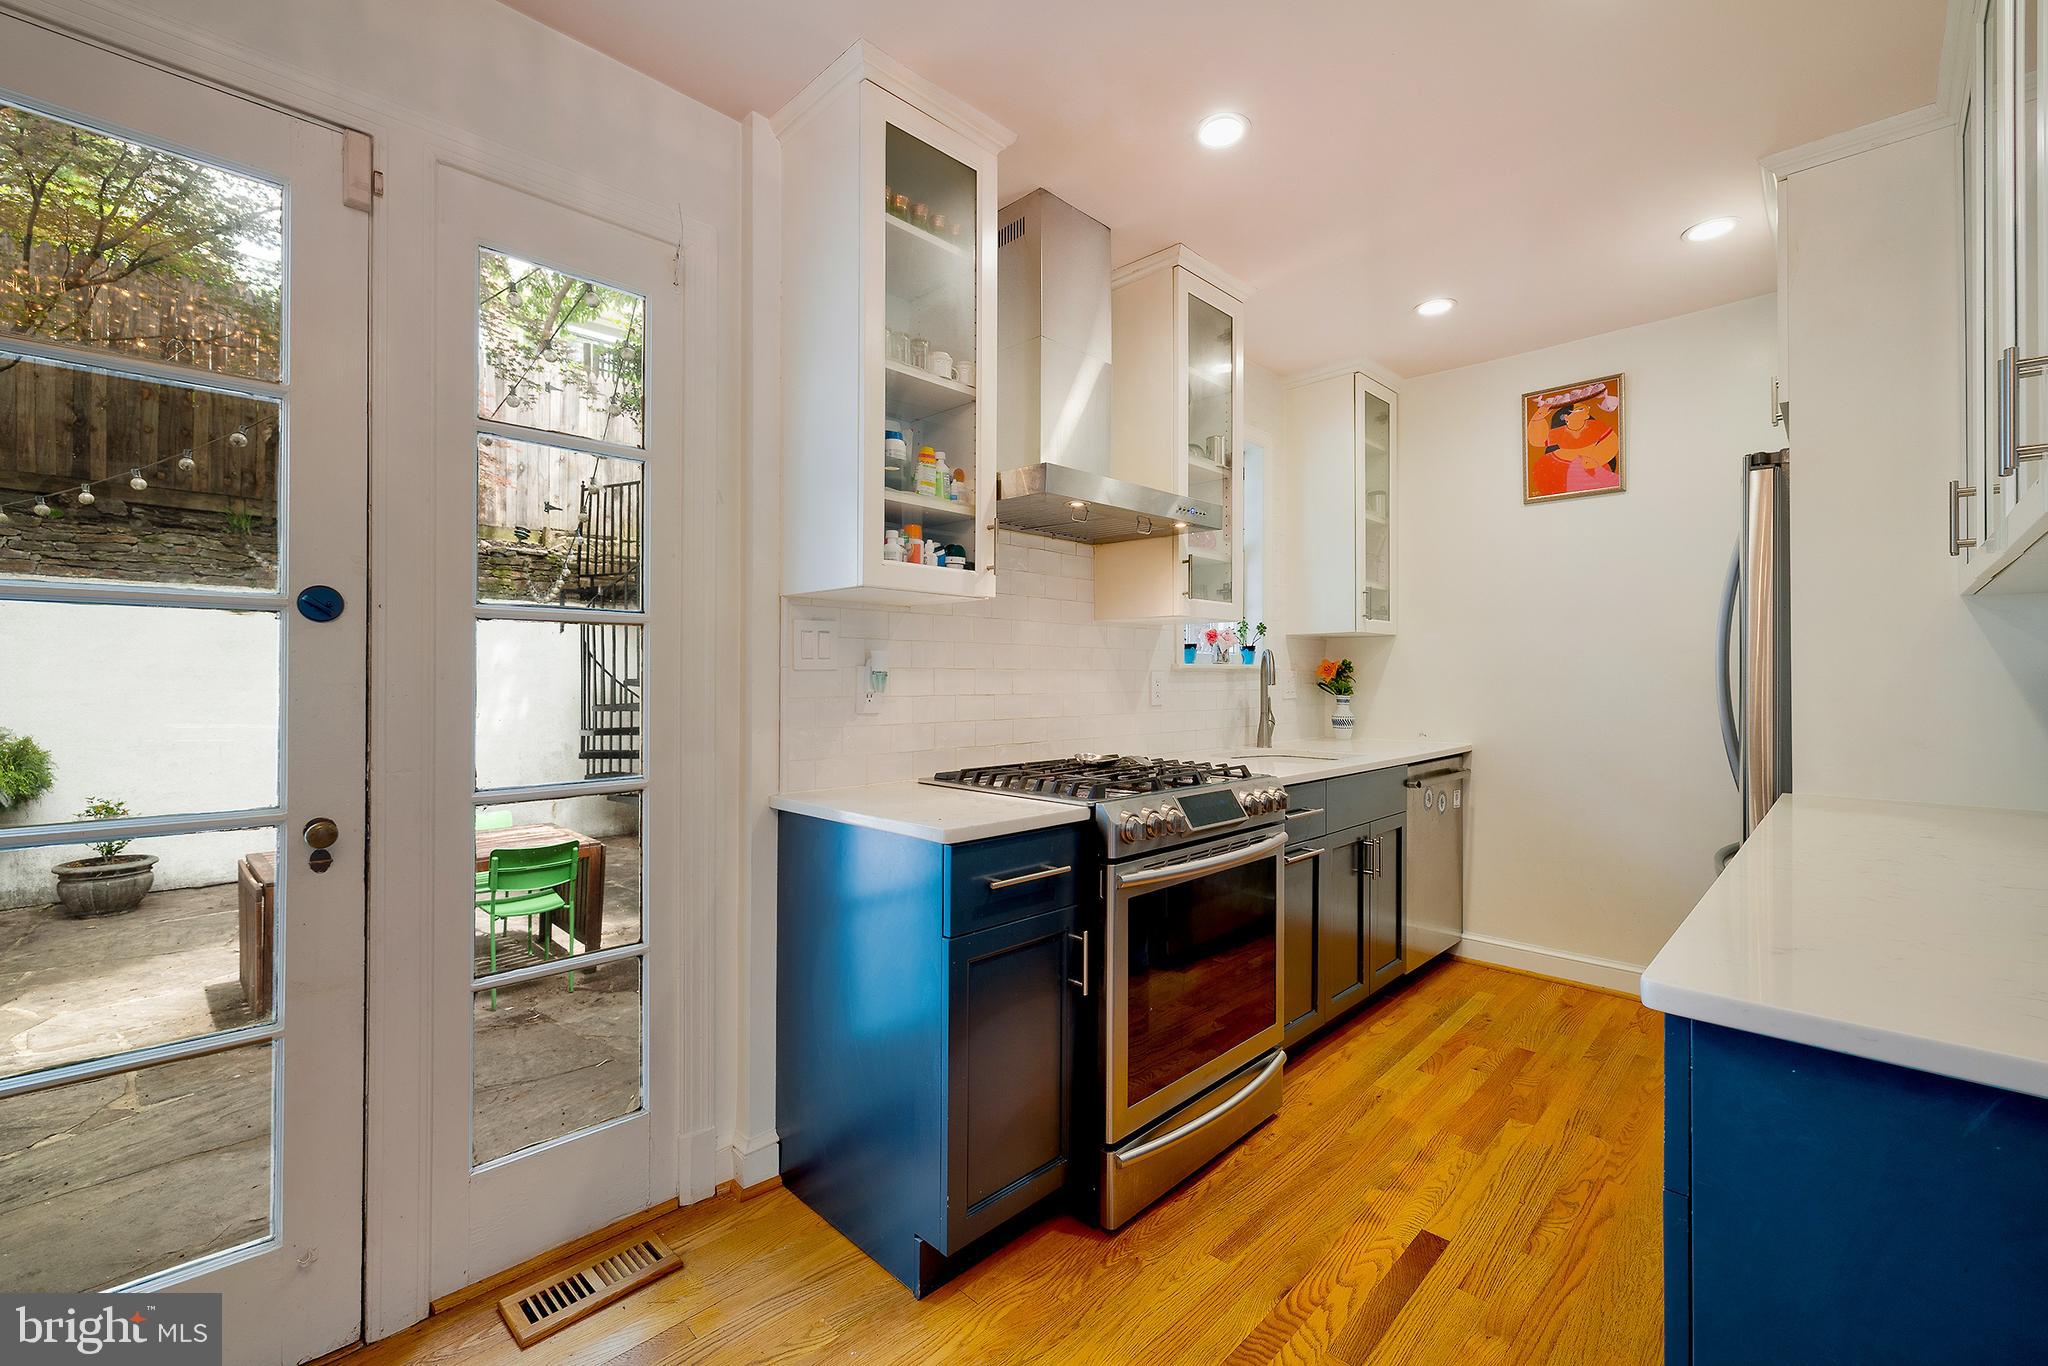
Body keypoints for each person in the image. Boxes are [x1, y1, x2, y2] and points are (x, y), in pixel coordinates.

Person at [1526, 382, 1621, 497]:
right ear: (1566, 417)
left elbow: (1610, 442)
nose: (1586, 410)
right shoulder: (1560, 432)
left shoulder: (1595, 426)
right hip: (1560, 466)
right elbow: (1537, 440)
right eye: (1580, 409)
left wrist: (1596, 459)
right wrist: (1539, 416)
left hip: (1591, 463)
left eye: (1586, 408)